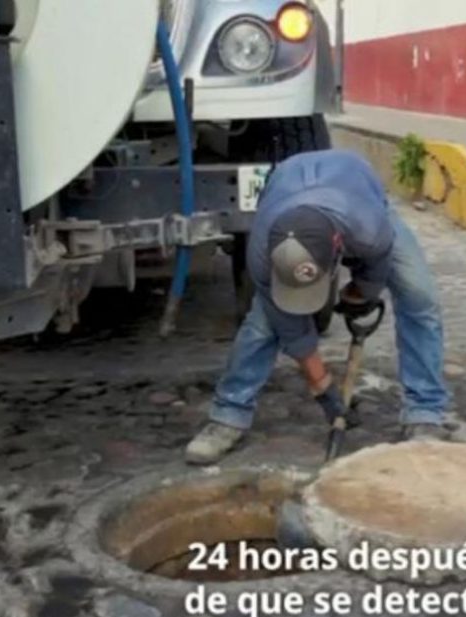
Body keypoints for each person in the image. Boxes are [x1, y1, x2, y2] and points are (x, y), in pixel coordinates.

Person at [185, 148, 449, 464]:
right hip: (287, 189)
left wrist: (360, 294)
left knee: (420, 297)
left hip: (355, 188)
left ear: (337, 249)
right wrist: (323, 388)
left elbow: (374, 269)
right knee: (263, 323)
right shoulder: (261, 252)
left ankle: (425, 411)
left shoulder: (369, 229)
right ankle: (229, 414)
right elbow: (289, 326)